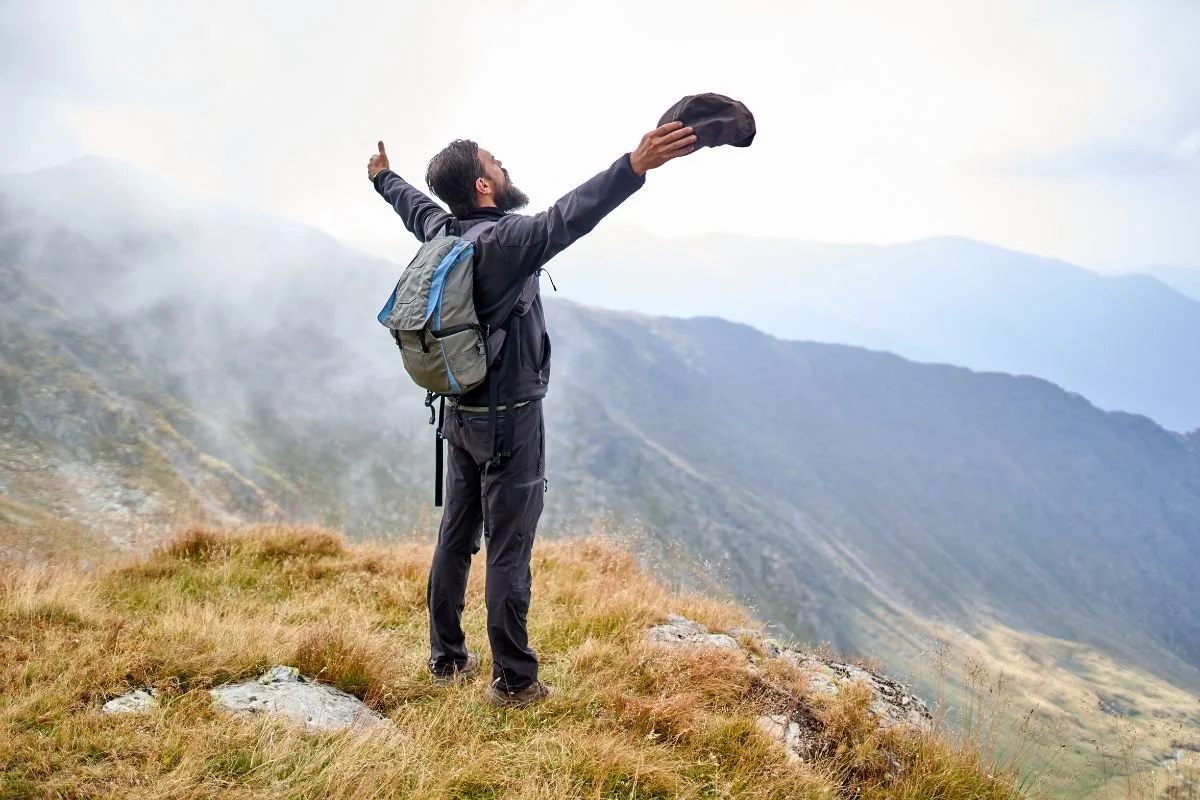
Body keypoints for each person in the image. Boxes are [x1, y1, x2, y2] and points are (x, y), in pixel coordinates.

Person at [366, 120, 696, 707]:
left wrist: (383, 178)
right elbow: (568, 216)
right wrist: (634, 166)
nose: (505, 168)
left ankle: (447, 658)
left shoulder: (442, 230)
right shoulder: (507, 242)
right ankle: (515, 682)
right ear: (483, 186)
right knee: (508, 549)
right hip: (510, 421)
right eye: (497, 164)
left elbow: (413, 206)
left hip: (459, 414)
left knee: (454, 537)